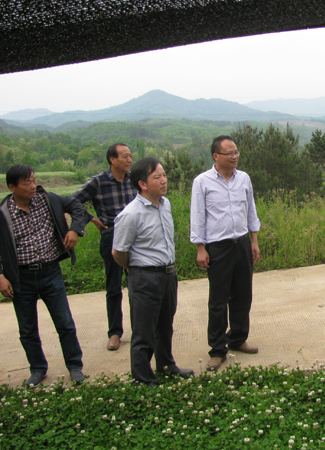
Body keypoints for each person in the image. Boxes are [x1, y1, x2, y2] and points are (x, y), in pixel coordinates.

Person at [0, 164, 86, 387]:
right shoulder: (3, 213)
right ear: (12, 187)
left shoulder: (47, 200)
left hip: (50, 272)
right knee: (27, 329)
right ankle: (38, 368)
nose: (33, 185)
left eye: (33, 180)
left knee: (65, 322)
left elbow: (75, 204)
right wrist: (1, 276)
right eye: (26, 182)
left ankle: (74, 365)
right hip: (21, 278)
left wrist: (75, 229)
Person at [112, 157, 194, 387]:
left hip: (168, 274)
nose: (164, 180)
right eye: (157, 177)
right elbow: (118, 252)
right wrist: (134, 268)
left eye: (164, 175)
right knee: (143, 331)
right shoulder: (131, 214)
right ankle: (143, 378)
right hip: (145, 277)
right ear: (142, 184)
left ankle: (166, 365)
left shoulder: (165, 204)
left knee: (165, 326)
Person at [190, 135, 261, 371]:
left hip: (242, 243)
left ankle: (238, 338)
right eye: (229, 153)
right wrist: (200, 248)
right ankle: (218, 349)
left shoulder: (244, 178)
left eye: (236, 152)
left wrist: (254, 241)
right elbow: (197, 216)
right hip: (218, 248)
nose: (234, 156)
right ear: (216, 156)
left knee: (243, 296)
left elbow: (251, 210)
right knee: (218, 301)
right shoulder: (202, 182)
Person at [73, 143, 137, 351]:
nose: (129, 160)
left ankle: (140, 330)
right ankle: (115, 332)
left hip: (135, 236)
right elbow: (72, 202)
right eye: (125, 156)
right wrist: (92, 219)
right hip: (111, 234)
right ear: (112, 159)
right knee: (113, 286)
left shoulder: (134, 179)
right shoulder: (98, 182)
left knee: (137, 283)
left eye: (130, 156)